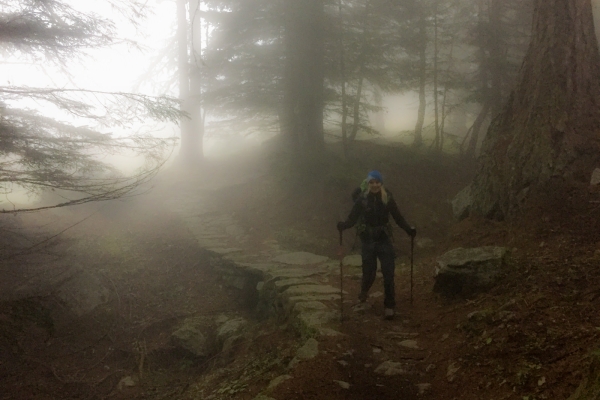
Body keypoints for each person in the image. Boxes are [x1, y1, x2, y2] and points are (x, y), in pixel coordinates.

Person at [337, 170, 416, 320]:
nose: (374, 185)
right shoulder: (362, 200)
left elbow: (398, 217)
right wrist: (343, 225)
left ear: (381, 183)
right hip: (367, 241)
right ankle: (363, 292)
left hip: (383, 240)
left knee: (388, 273)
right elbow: (352, 219)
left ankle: (390, 305)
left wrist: (408, 229)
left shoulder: (387, 198)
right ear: (368, 183)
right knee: (369, 273)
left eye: (377, 182)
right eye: (371, 182)